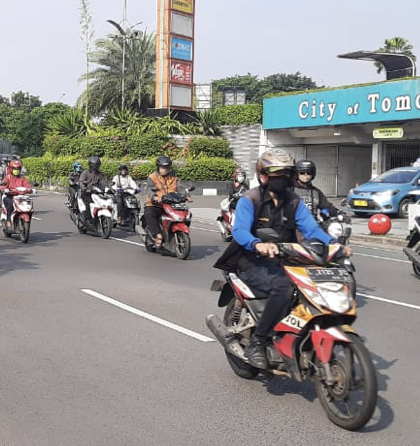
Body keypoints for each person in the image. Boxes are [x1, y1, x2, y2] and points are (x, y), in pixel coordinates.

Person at [213, 148, 345, 369]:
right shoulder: (251, 199)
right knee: (284, 288)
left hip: (285, 257)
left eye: (286, 174)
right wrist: (258, 243)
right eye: (276, 174)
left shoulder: (294, 202)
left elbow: (312, 229)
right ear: (264, 176)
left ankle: (297, 334)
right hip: (249, 259)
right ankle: (258, 342)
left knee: (315, 285)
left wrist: (334, 245)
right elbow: (240, 231)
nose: (282, 179)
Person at [144, 155, 190, 247]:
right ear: (158, 167)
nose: (164, 169)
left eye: (166, 167)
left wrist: (186, 196)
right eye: (162, 167)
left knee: (186, 213)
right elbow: (149, 189)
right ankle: (158, 234)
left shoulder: (173, 177)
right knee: (149, 214)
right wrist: (154, 197)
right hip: (156, 204)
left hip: (171, 204)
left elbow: (180, 188)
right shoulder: (152, 177)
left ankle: (174, 232)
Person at [0, 159, 32, 224]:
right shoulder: (8, 177)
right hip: (10, 196)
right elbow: (3, 186)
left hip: (20, 197)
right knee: (10, 204)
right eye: (14, 169)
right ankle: (8, 221)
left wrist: (30, 190)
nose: (16, 170)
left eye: (18, 169)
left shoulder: (23, 178)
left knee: (29, 204)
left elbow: (27, 186)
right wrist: (5, 189)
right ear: (11, 169)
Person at [78, 156, 107, 222]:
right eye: (94, 165)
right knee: (89, 201)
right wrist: (85, 189)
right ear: (90, 165)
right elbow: (81, 182)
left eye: (97, 165)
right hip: (87, 193)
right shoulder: (85, 173)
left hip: (97, 192)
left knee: (105, 201)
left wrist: (106, 189)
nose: (96, 166)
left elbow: (103, 183)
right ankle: (87, 219)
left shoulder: (100, 174)